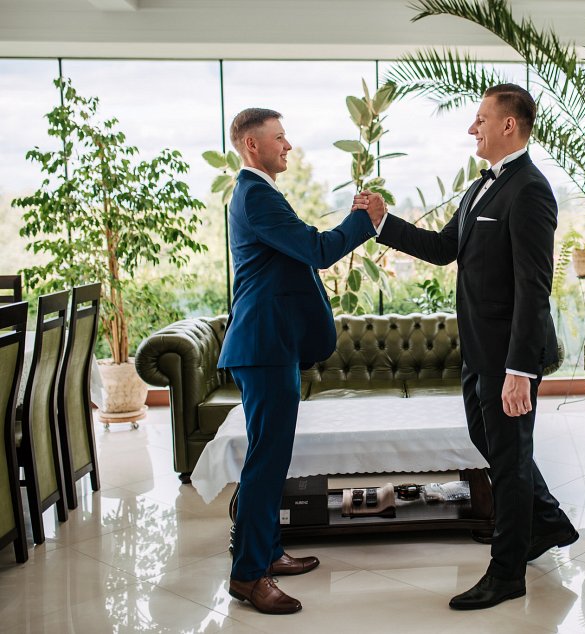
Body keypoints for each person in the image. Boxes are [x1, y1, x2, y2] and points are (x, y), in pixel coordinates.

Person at [354, 83, 578, 610]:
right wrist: (382, 221)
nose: (471, 128)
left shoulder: (531, 190)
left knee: (510, 459)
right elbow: (442, 248)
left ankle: (507, 573)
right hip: (478, 351)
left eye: (480, 119)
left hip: (510, 358)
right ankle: (547, 522)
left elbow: (533, 288)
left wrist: (520, 371)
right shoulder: (480, 188)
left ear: (508, 125)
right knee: (493, 445)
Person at [219, 108, 385, 615]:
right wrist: (364, 221)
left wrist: (353, 222)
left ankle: (269, 552)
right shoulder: (255, 195)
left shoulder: (259, 194)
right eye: (279, 137)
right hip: (264, 345)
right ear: (252, 145)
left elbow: (298, 251)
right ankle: (249, 575)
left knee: (272, 458)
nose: (288, 145)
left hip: (273, 344)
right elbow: (315, 249)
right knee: (266, 462)